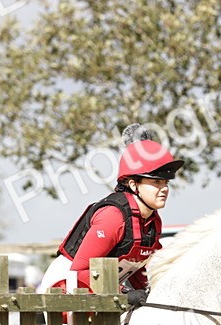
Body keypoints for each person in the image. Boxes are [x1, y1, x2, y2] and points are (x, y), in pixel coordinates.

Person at [39, 124, 185, 296]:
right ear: (133, 184)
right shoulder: (113, 217)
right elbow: (79, 272)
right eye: (156, 182)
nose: (165, 188)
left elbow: (137, 268)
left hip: (99, 294)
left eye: (166, 182)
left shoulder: (152, 220)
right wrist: (123, 293)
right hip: (63, 290)